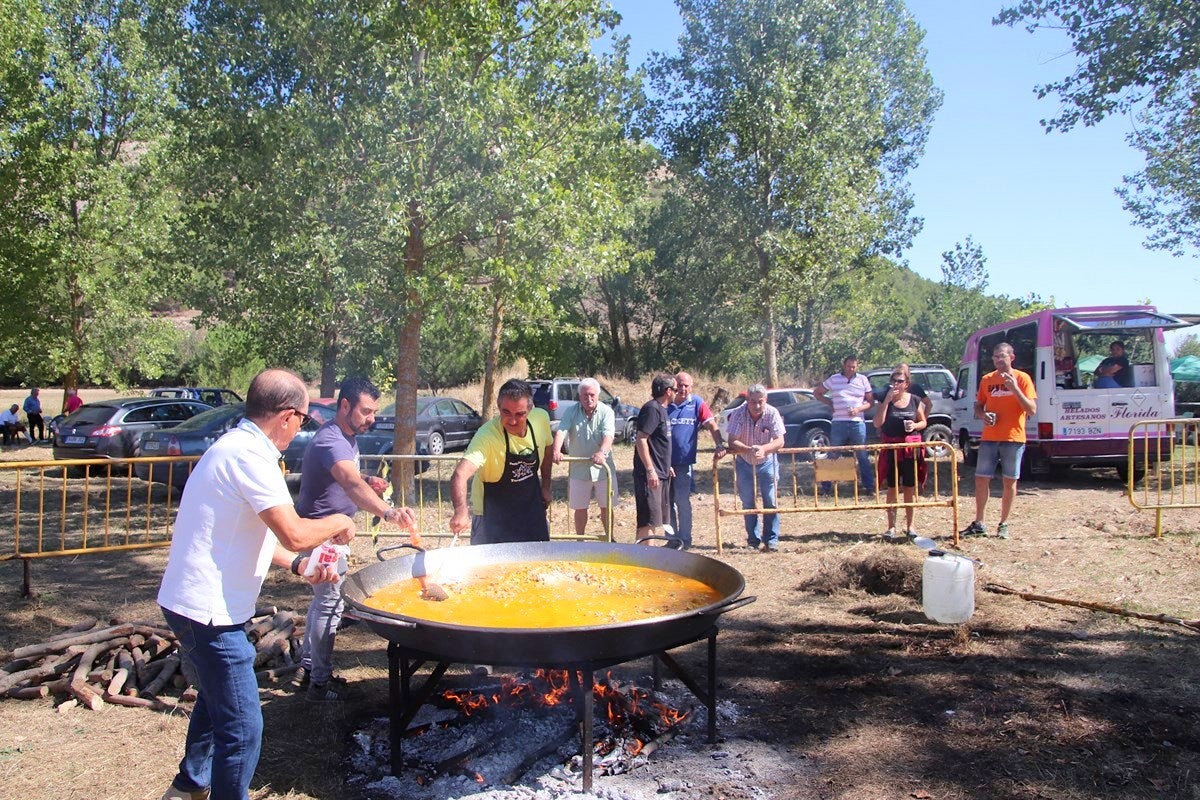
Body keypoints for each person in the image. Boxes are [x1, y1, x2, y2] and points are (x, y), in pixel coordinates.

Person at [156, 368, 356, 800]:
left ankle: (188, 785)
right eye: (302, 418)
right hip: (206, 611)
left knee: (216, 699)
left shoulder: (240, 447)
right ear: (286, 416)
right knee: (244, 727)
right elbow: (295, 533)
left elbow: (260, 536)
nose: (301, 427)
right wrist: (341, 519)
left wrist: (301, 567)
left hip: (197, 604)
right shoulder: (249, 455)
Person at [295, 376, 417, 702]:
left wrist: (368, 479)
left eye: (374, 411)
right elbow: (349, 483)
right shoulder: (332, 439)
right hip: (322, 536)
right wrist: (388, 512)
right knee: (330, 605)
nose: (372, 418)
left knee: (323, 602)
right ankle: (318, 684)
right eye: (366, 411)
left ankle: (309, 667)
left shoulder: (345, 437)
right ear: (345, 405)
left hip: (331, 534)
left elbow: (347, 475)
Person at [450, 379, 553, 544]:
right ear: (498, 408)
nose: (512, 421)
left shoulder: (540, 419)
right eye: (506, 413)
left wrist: (546, 485)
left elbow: (548, 448)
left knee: (538, 564)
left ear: (530, 409)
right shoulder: (487, 436)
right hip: (491, 517)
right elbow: (460, 475)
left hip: (531, 508)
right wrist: (460, 511)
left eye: (520, 414)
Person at [960, 342, 1038, 540]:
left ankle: (1003, 524)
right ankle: (979, 523)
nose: (997, 360)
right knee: (981, 479)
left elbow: (1031, 409)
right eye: (995, 357)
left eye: (1001, 356)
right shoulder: (987, 379)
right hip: (990, 438)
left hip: (1013, 437)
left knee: (1009, 481)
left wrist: (1014, 388)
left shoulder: (1022, 378)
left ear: (1012, 357)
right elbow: (978, 406)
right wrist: (983, 415)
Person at [721, 384, 785, 552]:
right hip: (744, 463)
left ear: (766, 400)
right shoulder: (738, 414)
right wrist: (748, 449)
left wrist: (764, 449)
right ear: (747, 400)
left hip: (768, 463)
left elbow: (780, 440)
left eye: (760, 402)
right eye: (752, 402)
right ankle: (753, 540)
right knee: (748, 502)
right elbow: (732, 440)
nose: (756, 406)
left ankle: (771, 540)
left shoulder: (772, 413)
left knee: (770, 502)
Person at [551, 377, 617, 538]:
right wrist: (556, 450)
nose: (589, 399)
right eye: (585, 395)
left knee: (606, 506)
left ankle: (610, 539)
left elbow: (609, 436)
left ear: (598, 395)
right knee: (580, 508)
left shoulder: (606, 412)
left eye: (592, 395)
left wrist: (602, 453)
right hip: (579, 468)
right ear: (579, 396)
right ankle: (579, 540)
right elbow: (562, 431)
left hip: (603, 468)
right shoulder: (571, 411)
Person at [668, 372, 724, 549]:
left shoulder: (697, 403)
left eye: (686, 385)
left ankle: (685, 539)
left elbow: (711, 425)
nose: (683, 389)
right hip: (663, 462)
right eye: (680, 385)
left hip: (684, 463)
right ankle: (671, 539)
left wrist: (719, 445)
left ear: (691, 387)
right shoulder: (665, 402)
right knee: (666, 503)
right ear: (673, 385)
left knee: (682, 500)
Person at [872, 368, 928, 541]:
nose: (896, 384)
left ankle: (910, 526)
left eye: (900, 381)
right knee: (892, 488)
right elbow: (877, 423)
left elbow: (924, 421)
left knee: (910, 487)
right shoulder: (885, 400)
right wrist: (887, 401)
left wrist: (915, 426)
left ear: (907, 384)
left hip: (909, 450)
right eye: (894, 381)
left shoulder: (915, 400)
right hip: (891, 448)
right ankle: (891, 527)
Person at [815, 356, 876, 495]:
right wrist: (830, 402)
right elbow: (817, 392)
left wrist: (858, 409)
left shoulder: (863, 380)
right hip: (838, 422)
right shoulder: (834, 379)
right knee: (834, 453)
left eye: (854, 367)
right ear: (844, 365)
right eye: (849, 366)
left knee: (862, 454)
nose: (851, 369)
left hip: (857, 422)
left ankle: (869, 487)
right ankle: (826, 487)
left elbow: (870, 402)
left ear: (857, 366)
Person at [633, 373, 676, 542]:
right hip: (649, 476)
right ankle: (641, 560)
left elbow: (658, 442)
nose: (677, 392)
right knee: (647, 521)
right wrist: (651, 470)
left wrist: (666, 466)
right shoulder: (652, 409)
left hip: (661, 473)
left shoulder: (662, 410)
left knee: (654, 520)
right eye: (675, 389)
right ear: (668, 391)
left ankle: (647, 557)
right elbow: (641, 439)